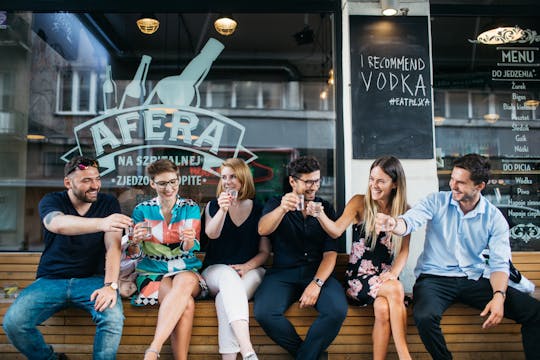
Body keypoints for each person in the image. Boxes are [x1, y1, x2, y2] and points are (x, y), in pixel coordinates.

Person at [376, 153, 540, 360]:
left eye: (461, 182)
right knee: (424, 317)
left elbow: (500, 264)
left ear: (479, 186)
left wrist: (499, 295)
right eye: (452, 179)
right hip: (434, 279)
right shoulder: (437, 201)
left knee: (535, 312)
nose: (453, 185)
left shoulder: (494, 218)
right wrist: (394, 224)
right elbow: (411, 220)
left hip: (473, 278)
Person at [3, 156, 132, 360]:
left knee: (113, 318)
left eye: (97, 179)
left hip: (93, 280)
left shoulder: (108, 203)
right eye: (86, 181)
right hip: (51, 280)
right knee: (14, 322)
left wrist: (110, 285)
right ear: (68, 183)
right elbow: (57, 224)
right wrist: (102, 223)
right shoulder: (52, 200)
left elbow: (113, 247)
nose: (95, 186)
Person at [309, 156, 411, 360]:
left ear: (395, 183)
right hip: (358, 279)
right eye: (372, 179)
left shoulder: (405, 211)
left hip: (385, 279)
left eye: (381, 181)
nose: (374, 185)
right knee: (396, 289)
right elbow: (336, 231)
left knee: (383, 308)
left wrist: (393, 273)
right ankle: (404, 356)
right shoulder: (359, 202)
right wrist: (320, 215)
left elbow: (404, 251)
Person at [254, 156, 348, 359]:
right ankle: (311, 356)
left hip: (316, 271)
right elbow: (263, 229)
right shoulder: (276, 203)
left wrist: (317, 282)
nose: (313, 187)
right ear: (292, 181)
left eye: (317, 181)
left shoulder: (325, 208)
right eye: (308, 182)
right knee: (264, 312)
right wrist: (282, 209)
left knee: (337, 310)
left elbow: (330, 254)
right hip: (282, 273)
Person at [129, 159, 207, 360]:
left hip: (185, 269)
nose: (169, 188)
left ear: (179, 180)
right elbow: (135, 253)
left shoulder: (190, 207)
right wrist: (135, 241)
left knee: (185, 279)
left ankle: (153, 349)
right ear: (152, 184)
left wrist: (189, 240)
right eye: (163, 183)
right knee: (186, 303)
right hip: (153, 273)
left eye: (173, 181)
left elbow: (190, 248)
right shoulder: (142, 210)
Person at [202, 158, 271, 360]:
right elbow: (211, 234)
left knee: (226, 299)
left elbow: (264, 252)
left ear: (243, 178)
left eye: (232, 176)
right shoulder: (213, 206)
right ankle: (248, 349)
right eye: (224, 177)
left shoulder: (259, 209)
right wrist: (223, 210)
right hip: (216, 271)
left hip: (251, 270)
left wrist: (246, 267)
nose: (227, 181)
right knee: (228, 277)